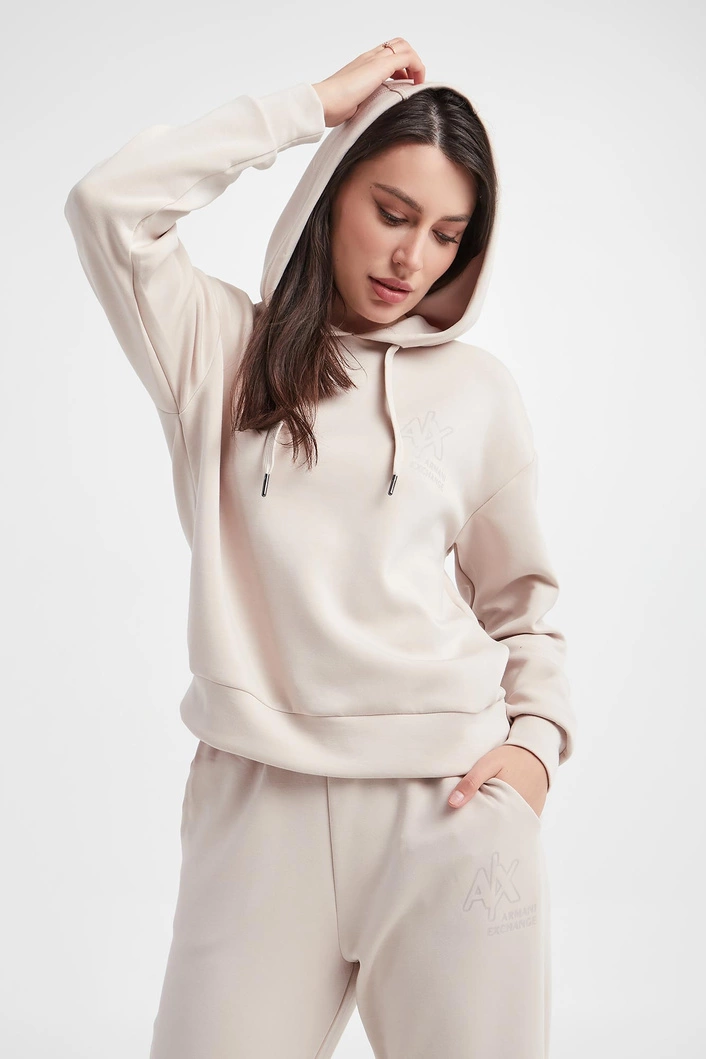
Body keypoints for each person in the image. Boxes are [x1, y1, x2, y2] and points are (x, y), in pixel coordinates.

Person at [64, 37, 576, 1059]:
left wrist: (533, 751)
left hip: (449, 806)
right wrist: (312, 106)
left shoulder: (478, 393)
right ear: (333, 193)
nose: (411, 259)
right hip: (258, 811)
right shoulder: (220, 353)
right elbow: (108, 206)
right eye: (392, 212)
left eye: (446, 234)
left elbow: (522, 606)